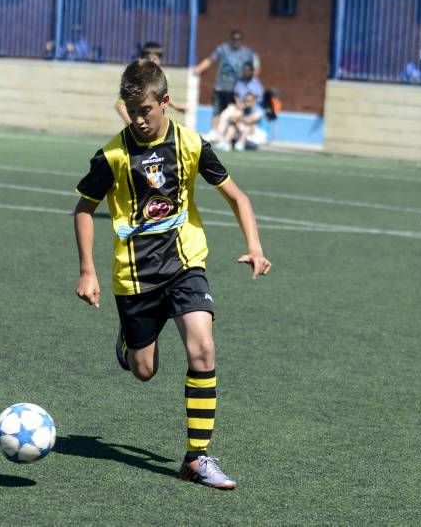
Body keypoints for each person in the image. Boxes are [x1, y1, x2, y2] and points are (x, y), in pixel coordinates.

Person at [73, 59, 272, 490]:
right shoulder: (111, 155)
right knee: (144, 371)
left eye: (145, 109)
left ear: (165, 102)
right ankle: (130, 341)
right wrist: (88, 271)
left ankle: (196, 459)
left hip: (186, 265)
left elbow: (237, 197)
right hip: (136, 276)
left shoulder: (191, 144)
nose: (138, 118)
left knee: (203, 349)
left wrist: (255, 246)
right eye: (130, 109)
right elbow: (84, 208)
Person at [194, 29, 260, 135]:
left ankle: (229, 135)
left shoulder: (248, 53)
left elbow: (255, 67)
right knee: (217, 110)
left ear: (241, 40)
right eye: (234, 39)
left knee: (232, 113)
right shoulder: (223, 49)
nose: (236, 41)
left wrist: (250, 84)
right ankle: (214, 132)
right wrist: (198, 69)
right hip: (220, 86)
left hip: (235, 90)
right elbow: (211, 59)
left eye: (238, 39)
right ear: (231, 39)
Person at [115, 42, 187, 125]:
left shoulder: (161, 78)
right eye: (149, 59)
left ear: (160, 60)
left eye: (155, 59)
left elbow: (159, 95)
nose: (152, 62)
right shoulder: (136, 78)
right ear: (142, 60)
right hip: (137, 132)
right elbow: (120, 106)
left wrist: (176, 106)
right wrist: (133, 125)